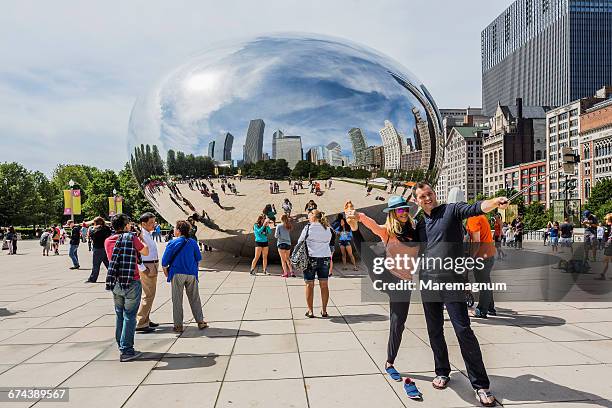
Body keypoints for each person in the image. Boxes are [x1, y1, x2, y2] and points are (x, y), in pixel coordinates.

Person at [413, 181, 507, 407]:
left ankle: (481, 385)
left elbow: (475, 208)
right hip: (428, 282)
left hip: (452, 282)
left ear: (435, 194)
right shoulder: (419, 223)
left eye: (430, 193)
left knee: (463, 330)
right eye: (422, 196)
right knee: (434, 330)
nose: (427, 198)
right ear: (416, 200)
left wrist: (494, 202)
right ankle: (442, 371)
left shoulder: (451, 210)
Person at [345, 196, 421, 394]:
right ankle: (353, 229)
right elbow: (372, 225)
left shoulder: (416, 232)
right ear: (393, 213)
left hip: (404, 284)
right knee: (368, 255)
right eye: (399, 211)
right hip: (386, 277)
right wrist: (358, 216)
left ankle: (389, 362)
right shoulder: (387, 232)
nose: (403, 213)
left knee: (398, 323)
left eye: (405, 210)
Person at [104, 213, 149, 362]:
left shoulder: (108, 240)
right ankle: (127, 351)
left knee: (119, 314)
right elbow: (145, 251)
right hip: (131, 281)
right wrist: (140, 238)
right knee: (129, 315)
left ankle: (121, 344)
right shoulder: (132, 238)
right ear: (125, 225)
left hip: (115, 282)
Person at [162, 220, 208, 332]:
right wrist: (194, 271)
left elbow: (164, 262)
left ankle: (178, 325)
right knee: (195, 298)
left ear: (178, 230)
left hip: (177, 273)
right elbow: (198, 259)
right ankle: (200, 321)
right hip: (191, 274)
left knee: (177, 300)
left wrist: (166, 272)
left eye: (174, 228)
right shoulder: (193, 242)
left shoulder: (172, 243)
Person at [297, 209, 332, 318]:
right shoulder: (327, 228)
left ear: (313, 216)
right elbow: (329, 241)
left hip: (311, 258)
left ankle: (310, 311)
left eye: (310, 213)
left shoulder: (308, 227)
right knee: (324, 285)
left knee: (309, 284)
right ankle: (324, 310)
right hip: (325, 258)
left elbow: (300, 241)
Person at [466, 213, 497, 318]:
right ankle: (490, 308)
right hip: (489, 254)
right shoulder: (481, 216)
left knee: (483, 284)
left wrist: (471, 257)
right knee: (486, 282)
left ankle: (481, 310)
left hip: (481, 256)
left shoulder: (473, 219)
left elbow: (476, 241)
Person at [135, 212, 160, 333]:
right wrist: (143, 268)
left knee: (151, 294)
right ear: (143, 223)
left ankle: (146, 319)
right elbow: (136, 253)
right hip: (147, 265)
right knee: (148, 295)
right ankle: (141, 322)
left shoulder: (147, 233)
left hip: (152, 264)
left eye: (154, 222)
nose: (153, 224)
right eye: (151, 223)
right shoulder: (140, 235)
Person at [86, 217, 112, 283]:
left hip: (97, 248)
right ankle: (115, 277)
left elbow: (90, 235)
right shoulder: (107, 228)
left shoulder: (94, 229)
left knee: (96, 265)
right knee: (109, 264)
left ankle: (93, 278)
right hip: (105, 248)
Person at [598, 213, 612, 280]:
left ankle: (603, 274)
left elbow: (605, 236)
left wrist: (604, 244)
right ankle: (603, 274)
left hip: (609, 244)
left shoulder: (608, 226)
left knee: (606, 260)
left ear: (609, 220)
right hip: (609, 244)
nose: (605, 220)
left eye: (606, 219)